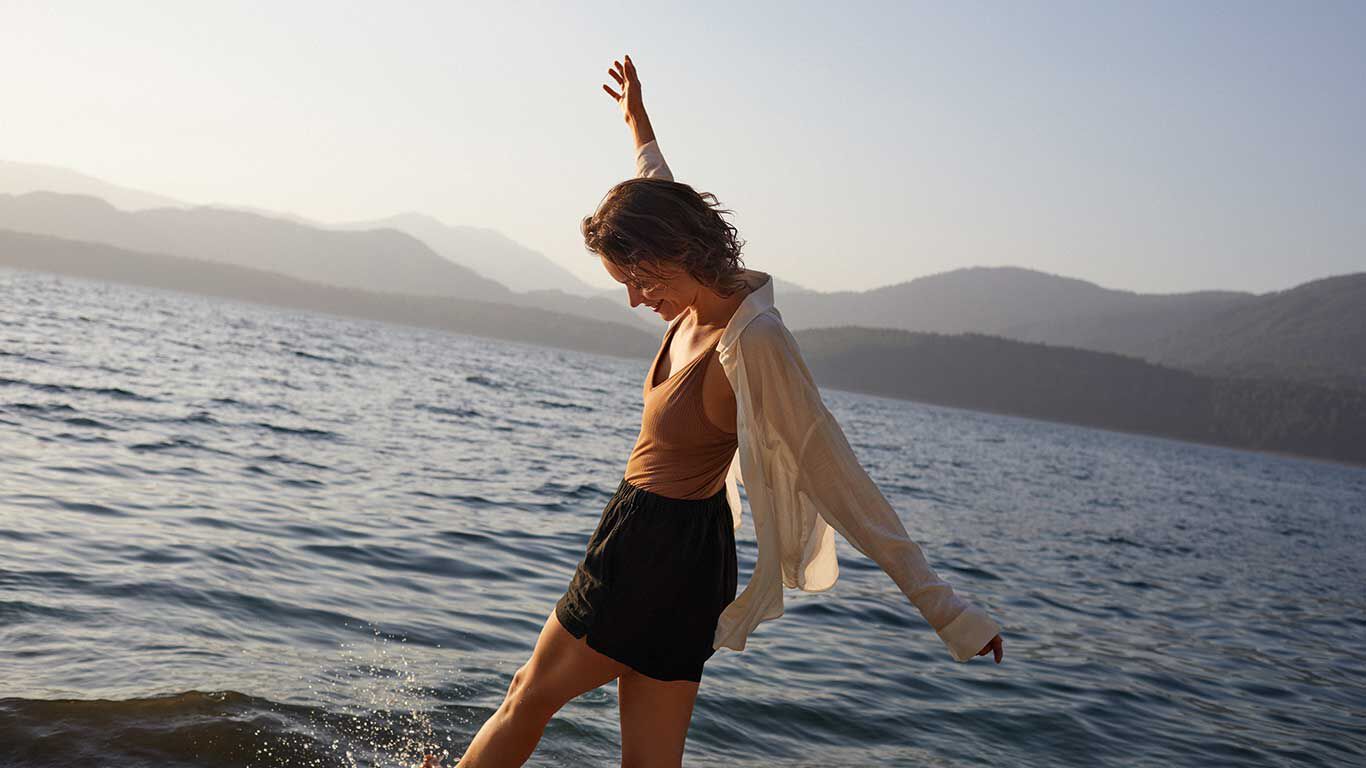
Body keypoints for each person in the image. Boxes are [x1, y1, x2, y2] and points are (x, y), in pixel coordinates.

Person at [422, 54, 1003, 768]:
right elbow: (657, 181)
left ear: (675, 251)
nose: (636, 299)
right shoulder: (696, 288)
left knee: (526, 697)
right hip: (691, 561)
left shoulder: (753, 341)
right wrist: (636, 115)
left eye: (637, 279)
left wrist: (947, 609)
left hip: (648, 546)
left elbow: (835, 473)